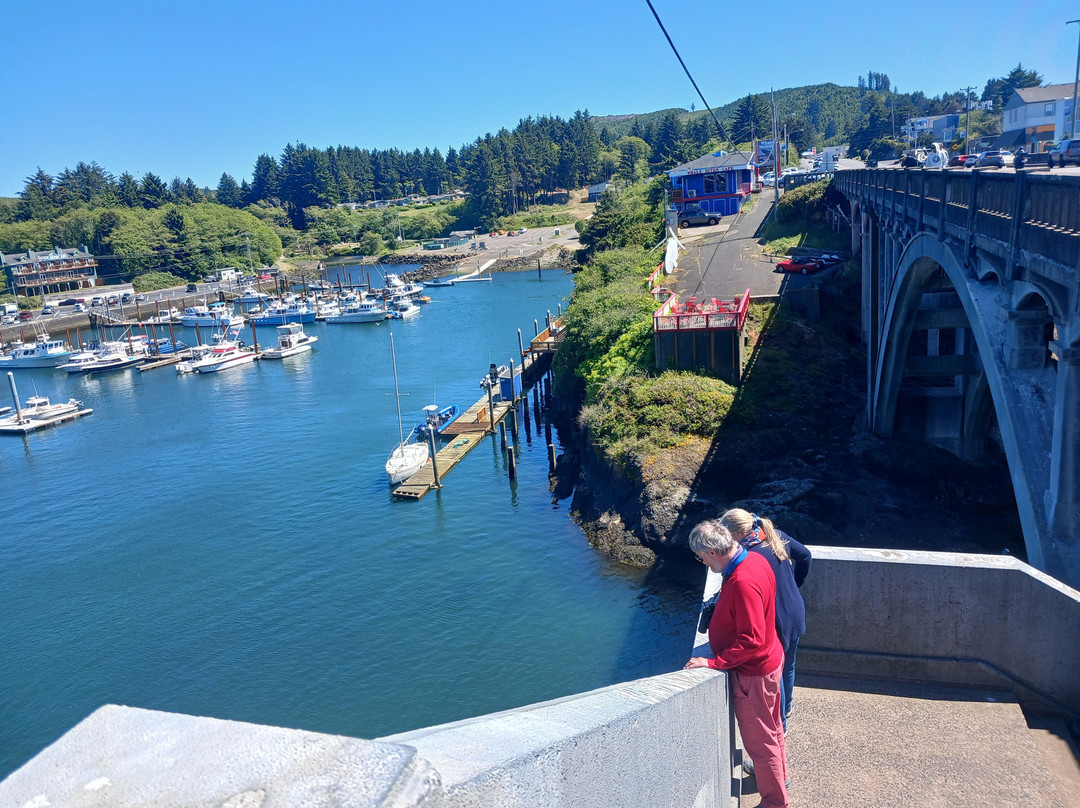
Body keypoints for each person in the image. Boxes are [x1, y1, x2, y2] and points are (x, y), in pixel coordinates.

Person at [685, 520, 789, 808]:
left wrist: (714, 662)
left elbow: (752, 639)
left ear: (713, 552)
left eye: (702, 557)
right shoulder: (755, 559)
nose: (704, 563)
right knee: (773, 729)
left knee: (759, 740)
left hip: (754, 673)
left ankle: (775, 802)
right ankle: (779, 783)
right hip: (771, 660)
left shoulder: (742, 580)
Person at [720, 509, 812, 734]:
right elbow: (806, 555)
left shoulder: (748, 556)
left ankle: (781, 725)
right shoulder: (776, 535)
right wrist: (795, 583)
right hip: (794, 610)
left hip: (776, 619)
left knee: (777, 672)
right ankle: (787, 707)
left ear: (740, 532)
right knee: (789, 665)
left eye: (727, 533)